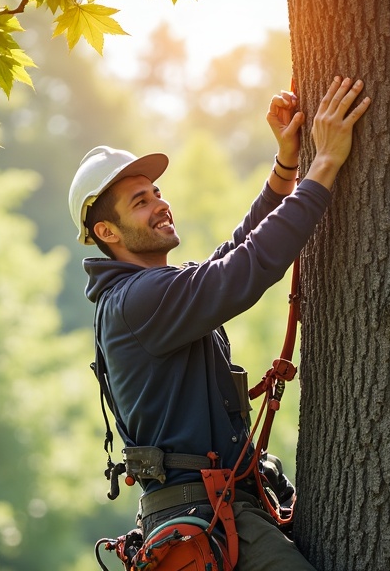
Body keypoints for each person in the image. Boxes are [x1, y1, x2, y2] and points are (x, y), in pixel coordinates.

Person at [69, 76, 370, 570]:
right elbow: (247, 267)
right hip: (206, 515)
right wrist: (326, 164)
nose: (159, 204)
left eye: (155, 192)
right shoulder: (140, 300)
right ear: (106, 231)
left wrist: (287, 167)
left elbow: (232, 253)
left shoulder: (145, 294)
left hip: (216, 509)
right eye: (139, 202)